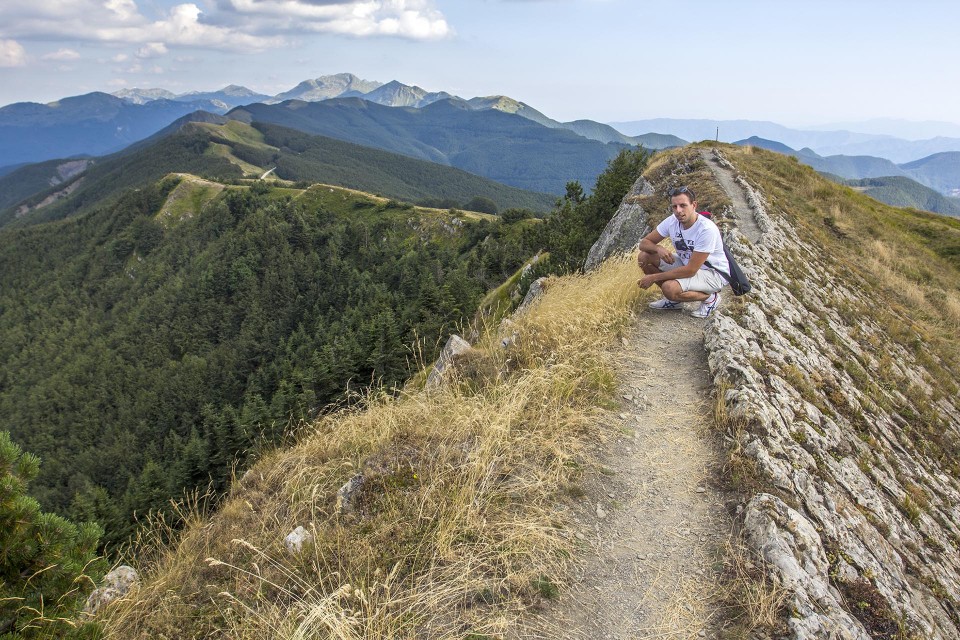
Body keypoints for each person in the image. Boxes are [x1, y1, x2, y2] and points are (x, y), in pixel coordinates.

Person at [636, 186, 728, 318]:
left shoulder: (706, 229)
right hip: (688, 266)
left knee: (669, 288)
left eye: (683, 205)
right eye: (674, 207)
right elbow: (644, 243)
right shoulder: (672, 221)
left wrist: (653, 277)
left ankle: (709, 298)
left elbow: (691, 270)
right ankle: (674, 301)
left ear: (694, 205)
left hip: (712, 273)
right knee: (644, 257)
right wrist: (658, 248)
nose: (678, 211)